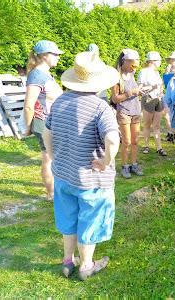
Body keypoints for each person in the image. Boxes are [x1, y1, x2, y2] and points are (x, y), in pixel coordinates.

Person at [42, 51, 120, 280]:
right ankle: (86, 265)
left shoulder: (60, 102)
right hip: (91, 180)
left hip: (63, 175)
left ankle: (67, 262)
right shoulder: (100, 107)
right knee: (90, 219)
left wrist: (53, 154)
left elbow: (48, 132)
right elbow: (113, 139)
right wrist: (106, 162)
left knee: (68, 217)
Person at [23, 40, 63, 200]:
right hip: (44, 123)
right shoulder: (37, 75)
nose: (58, 57)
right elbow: (28, 105)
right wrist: (27, 127)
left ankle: (55, 189)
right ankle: (51, 193)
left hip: (52, 122)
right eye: (55, 54)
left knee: (53, 157)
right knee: (48, 158)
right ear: (45, 56)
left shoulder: (45, 74)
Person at [111, 49, 143, 178]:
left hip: (136, 110)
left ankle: (134, 164)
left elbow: (134, 90)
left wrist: (139, 92)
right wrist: (131, 93)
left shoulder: (132, 74)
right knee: (127, 141)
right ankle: (124, 166)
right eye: (131, 63)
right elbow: (114, 99)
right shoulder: (116, 77)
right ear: (124, 62)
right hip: (124, 112)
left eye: (135, 63)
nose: (134, 66)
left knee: (135, 141)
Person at [137, 51, 167, 156]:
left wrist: (161, 91)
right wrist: (152, 87)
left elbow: (160, 86)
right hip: (148, 99)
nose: (160, 62)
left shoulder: (156, 72)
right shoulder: (143, 72)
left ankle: (159, 148)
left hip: (158, 99)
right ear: (153, 61)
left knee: (157, 125)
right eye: (159, 60)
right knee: (147, 124)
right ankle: (146, 146)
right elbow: (139, 89)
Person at [163, 51, 175, 143]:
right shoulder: (168, 69)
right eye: (171, 60)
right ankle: (170, 133)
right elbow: (166, 82)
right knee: (167, 115)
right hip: (168, 94)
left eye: (173, 60)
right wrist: (166, 73)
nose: (172, 61)